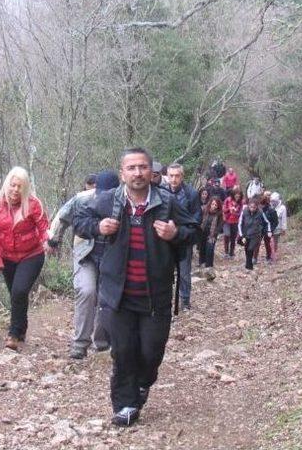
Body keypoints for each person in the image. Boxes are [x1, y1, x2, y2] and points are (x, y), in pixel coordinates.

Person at [73, 147, 198, 427]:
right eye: (132, 168)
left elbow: (194, 230)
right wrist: (98, 227)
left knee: (151, 352)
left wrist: (176, 232)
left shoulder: (166, 202)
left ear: (151, 171)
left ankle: (142, 384)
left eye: (142, 167)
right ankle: (125, 405)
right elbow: (79, 221)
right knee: (123, 351)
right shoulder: (107, 201)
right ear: (122, 173)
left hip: (156, 295)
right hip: (117, 294)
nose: (138, 173)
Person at [47, 171, 120, 359]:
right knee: (87, 291)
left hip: (111, 257)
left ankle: (103, 342)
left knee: (106, 297)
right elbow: (63, 217)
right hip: (85, 253)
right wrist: (54, 241)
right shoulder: (82, 200)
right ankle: (80, 343)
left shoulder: (124, 202)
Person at [0, 166, 49, 350]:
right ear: (7, 185)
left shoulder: (33, 204)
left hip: (32, 254)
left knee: (19, 291)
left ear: (25, 188)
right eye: (12, 185)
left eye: (19, 186)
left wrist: (48, 241)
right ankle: (21, 328)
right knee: (16, 294)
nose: (15, 190)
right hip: (7, 258)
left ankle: (13, 334)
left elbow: (44, 227)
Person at [161, 163, 202, 310]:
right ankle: (165, 300)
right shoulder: (161, 191)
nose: (173, 179)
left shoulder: (191, 193)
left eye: (177, 176)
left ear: (182, 176)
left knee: (184, 272)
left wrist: (183, 232)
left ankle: (185, 300)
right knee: (165, 271)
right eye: (171, 175)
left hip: (184, 238)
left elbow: (197, 218)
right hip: (165, 239)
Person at [238, 197, 270, 271]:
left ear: (257, 207)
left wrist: (268, 231)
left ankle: (249, 267)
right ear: (248, 206)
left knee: (250, 249)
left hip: (256, 235)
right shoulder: (244, 211)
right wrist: (241, 234)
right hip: (245, 234)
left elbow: (267, 222)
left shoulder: (260, 212)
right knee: (246, 249)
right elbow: (240, 223)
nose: (252, 209)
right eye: (251, 207)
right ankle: (248, 263)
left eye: (254, 207)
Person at [198, 197, 223, 276]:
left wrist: (215, 234)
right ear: (210, 204)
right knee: (202, 248)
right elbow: (200, 220)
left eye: (216, 205)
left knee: (210, 249)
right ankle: (202, 263)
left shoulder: (219, 214)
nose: (214, 206)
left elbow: (219, 226)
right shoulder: (204, 210)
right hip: (202, 232)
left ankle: (209, 266)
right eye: (213, 204)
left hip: (212, 234)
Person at [254, 190, 279, 263]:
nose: (261, 206)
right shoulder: (257, 210)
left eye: (262, 204)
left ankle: (269, 257)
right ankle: (254, 258)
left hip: (268, 229)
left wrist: (271, 230)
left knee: (267, 243)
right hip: (259, 229)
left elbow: (275, 222)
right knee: (257, 243)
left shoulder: (271, 210)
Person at [222, 188, 243, 258]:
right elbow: (224, 210)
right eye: (236, 195)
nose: (237, 197)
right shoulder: (228, 200)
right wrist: (229, 210)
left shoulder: (241, 203)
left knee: (233, 237)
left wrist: (236, 212)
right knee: (227, 235)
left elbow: (240, 213)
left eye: (239, 196)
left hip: (235, 221)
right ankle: (226, 252)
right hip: (227, 220)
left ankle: (231, 252)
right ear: (233, 194)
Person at [270, 192, 287, 261]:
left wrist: (284, 229)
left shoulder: (282, 208)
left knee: (275, 242)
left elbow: (284, 219)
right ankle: (270, 253)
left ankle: (274, 253)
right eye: (272, 201)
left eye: (274, 201)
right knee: (270, 241)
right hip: (269, 228)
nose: (273, 202)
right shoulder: (269, 206)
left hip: (277, 228)